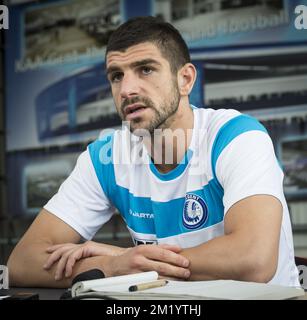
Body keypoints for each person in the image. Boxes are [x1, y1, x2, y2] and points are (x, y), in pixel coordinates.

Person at [8, 16, 299, 288]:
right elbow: (22, 263)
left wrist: (135, 265)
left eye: (145, 69)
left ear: (185, 80)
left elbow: (253, 260)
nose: (127, 89)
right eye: (116, 76)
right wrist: (112, 266)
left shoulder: (237, 136)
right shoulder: (104, 158)